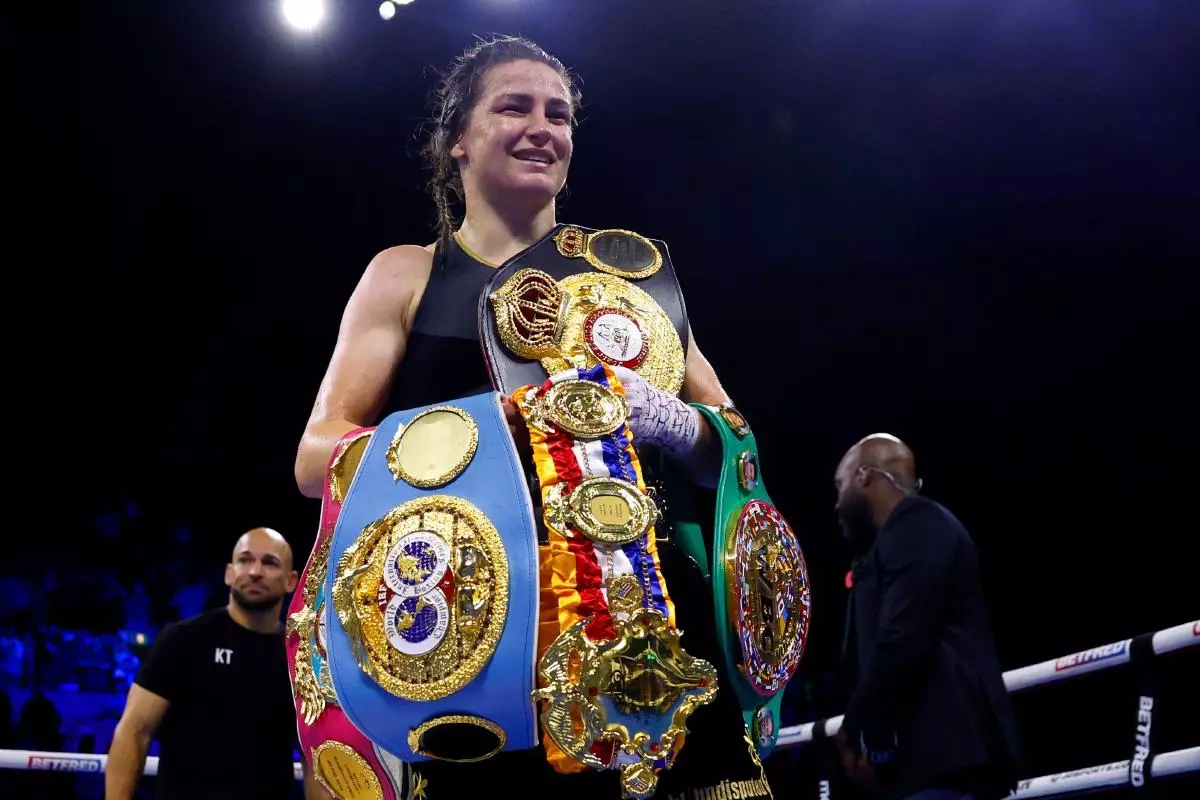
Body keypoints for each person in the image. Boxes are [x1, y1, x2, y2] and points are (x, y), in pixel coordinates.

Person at [294, 35, 781, 800]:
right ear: (458, 140)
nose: (541, 128)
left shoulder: (632, 293)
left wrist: (663, 417)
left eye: (558, 115)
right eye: (513, 107)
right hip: (475, 634)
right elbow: (315, 453)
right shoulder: (407, 274)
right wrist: (492, 428)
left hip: (649, 629)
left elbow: (736, 445)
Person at [832, 434, 1023, 800]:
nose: (837, 502)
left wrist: (854, 726)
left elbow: (901, 636)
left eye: (840, 485)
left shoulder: (918, 524)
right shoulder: (898, 539)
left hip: (948, 755)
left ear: (864, 475)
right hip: (924, 759)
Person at [106, 528, 319, 800]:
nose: (255, 571)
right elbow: (134, 732)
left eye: (270, 563)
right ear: (229, 573)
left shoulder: (301, 658)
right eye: (245, 560)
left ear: (291, 581)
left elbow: (314, 757)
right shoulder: (183, 640)